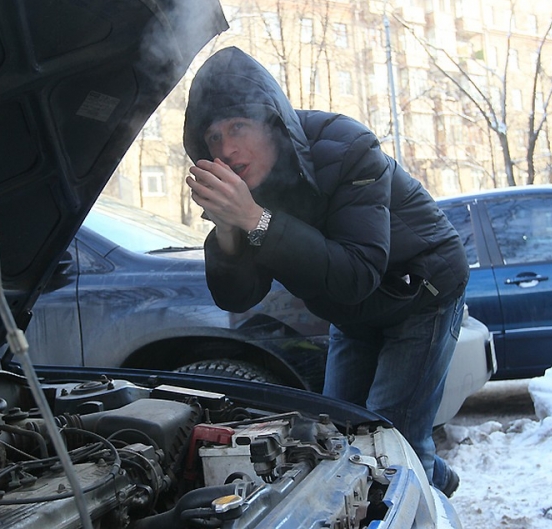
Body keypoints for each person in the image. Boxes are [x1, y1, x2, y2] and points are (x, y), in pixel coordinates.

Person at [182, 46, 468, 497]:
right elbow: (238, 297)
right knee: (341, 427)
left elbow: (357, 272)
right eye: (213, 137)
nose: (227, 149)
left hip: (422, 292)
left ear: (273, 123)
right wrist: (228, 230)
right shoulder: (250, 187)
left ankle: (426, 480)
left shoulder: (347, 146)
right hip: (352, 309)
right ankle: (436, 476)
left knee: (390, 440)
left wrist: (256, 220)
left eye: (238, 127)